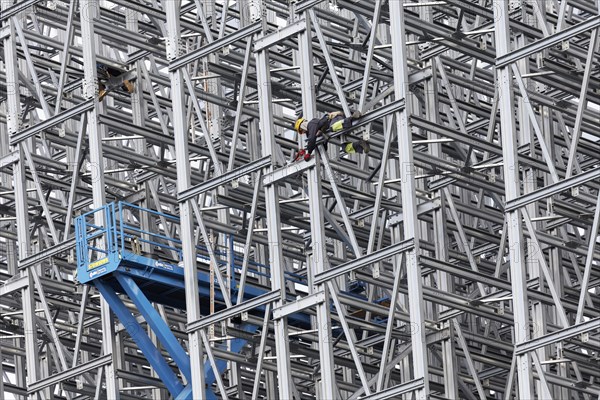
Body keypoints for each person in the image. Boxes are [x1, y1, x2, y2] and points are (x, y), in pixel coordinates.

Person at [293, 110, 370, 161]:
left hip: (336, 120)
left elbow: (312, 139)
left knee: (332, 127)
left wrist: (309, 152)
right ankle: (361, 144)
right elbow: (319, 144)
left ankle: (353, 118)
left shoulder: (311, 124)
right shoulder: (313, 131)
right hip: (338, 129)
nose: (303, 132)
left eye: (301, 130)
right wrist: (306, 151)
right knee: (345, 148)